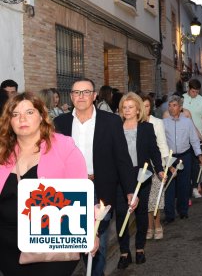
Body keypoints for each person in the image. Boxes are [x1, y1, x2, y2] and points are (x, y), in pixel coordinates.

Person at [0, 92, 95, 276]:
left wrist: (90, 230)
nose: (22, 119)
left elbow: (81, 191)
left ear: (42, 116)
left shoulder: (64, 146)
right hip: (7, 244)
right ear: (8, 120)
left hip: (51, 240)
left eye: (29, 112)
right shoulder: (3, 150)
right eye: (15, 114)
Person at [54, 78, 137, 276]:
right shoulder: (60, 123)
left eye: (85, 92)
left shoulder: (111, 121)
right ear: (71, 96)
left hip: (100, 188)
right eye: (76, 92)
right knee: (79, 238)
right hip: (70, 190)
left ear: (94, 96)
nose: (81, 96)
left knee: (96, 239)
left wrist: (130, 190)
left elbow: (122, 159)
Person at [115, 93, 164, 269]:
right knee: (122, 214)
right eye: (124, 107)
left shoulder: (146, 128)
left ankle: (140, 248)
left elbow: (154, 151)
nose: (127, 110)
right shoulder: (116, 127)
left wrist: (159, 169)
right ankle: (124, 252)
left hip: (142, 175)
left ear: (138, 109)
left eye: (130, 107)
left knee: (141, 213)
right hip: (121, 176)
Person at [162, 95, 202, 223]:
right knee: (169, 186)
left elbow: (194, 140)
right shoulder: (164, 123)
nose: (171, 108)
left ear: (180, 108)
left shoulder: (187, 122)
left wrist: (199, 155)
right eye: (170, 105)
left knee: (184, 185)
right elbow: (161, 142)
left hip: (185, 156)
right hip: (170, 158)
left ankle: (183, 211)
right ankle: (169, 214)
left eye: (174, 105)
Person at [141, 94, 169, 240]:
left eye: (147, 106)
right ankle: (149, 226)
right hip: (142, 166)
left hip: (156, 163)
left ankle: (157, 225)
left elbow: (162, 144)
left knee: (156, 198)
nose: (144, 109)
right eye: (142, 106)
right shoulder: (134, 123)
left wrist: (165, 165)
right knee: (146, 199)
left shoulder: (157, 122)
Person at [182, 80, 202, 199]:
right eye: (193, 91)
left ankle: (195, 186)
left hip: (198, 136)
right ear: (188, 88)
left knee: (196, 163)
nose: (195, 94)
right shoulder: (182, 98)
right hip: (184, 137)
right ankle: (187, 187)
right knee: (186, 164)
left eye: (197, 92)